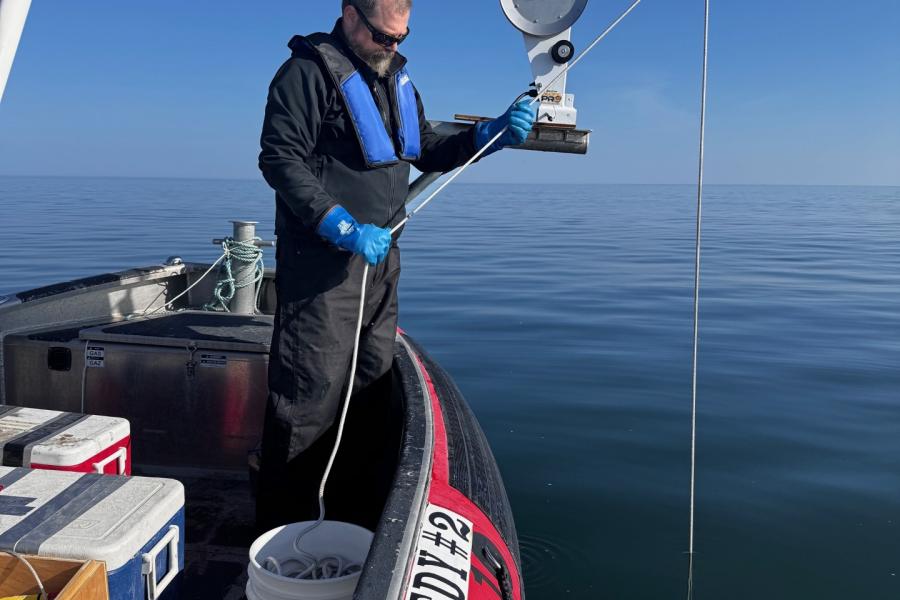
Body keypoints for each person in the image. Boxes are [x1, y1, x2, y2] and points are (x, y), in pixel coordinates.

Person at [256, 0, 536, 529]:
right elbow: (279, 158)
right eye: (384, 37)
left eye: (401, 39)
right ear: (349, 15)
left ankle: (354, 519)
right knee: (308, 399)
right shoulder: (305, 73)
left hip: (381, 267)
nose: (393, 47)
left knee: (371, 384)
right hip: (322, 272)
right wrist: (340, 226)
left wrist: (486, 136)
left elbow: (425, 147)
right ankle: (284, 533)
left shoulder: (396, 79)